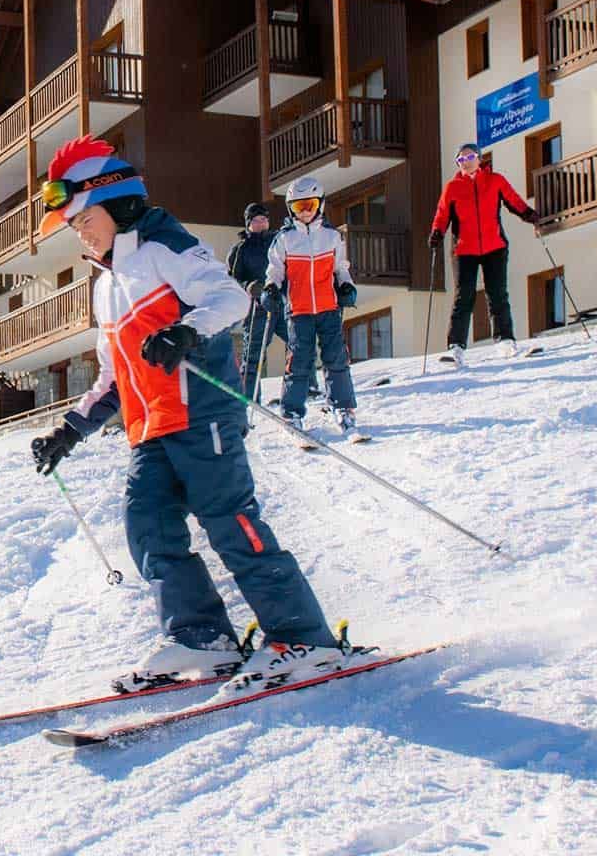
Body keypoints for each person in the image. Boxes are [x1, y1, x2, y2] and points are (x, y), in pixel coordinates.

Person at [27, 136, 349, 696]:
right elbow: (113, 377)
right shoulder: (105, 287)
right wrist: (69, 430)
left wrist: (185, 330)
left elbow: (231, 301)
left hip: (203, 415)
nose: (79, 233)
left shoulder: (164, 246)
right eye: (74, 225)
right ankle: (202, 637)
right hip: (149, 428)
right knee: (147, 526)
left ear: (115, 200)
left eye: (82, 219)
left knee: (230, 523)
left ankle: (305, 640)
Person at [265, 176, 359, 434]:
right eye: (298, 207)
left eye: (309, 205)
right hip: (299, 310)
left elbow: (341, 268)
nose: (305, 212)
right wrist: (271, 288)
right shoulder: (284, 239)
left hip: (328, 307)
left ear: (320, 204)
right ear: (290, 209)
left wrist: (346, 285)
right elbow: (275, 270)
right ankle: (292, 412)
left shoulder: (332, 237)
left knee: (336, 358)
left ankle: (343, 407)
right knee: (299, 361)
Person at [428, 143, 536, 365]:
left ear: (479, 158)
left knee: (497, 293)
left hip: (494, 246)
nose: (465, 162)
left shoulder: (495, 180)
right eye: (461, 160)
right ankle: (456, 346)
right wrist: (437, 233)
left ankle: (505, 341)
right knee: (463, 296)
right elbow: (442, 214)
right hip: (464, 249)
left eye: (469, 157)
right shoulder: (452, 187)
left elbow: (513, 200)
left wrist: (528, 214)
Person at [225, 201, 286, 399]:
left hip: (282, 302)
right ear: (248, 224)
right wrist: (248, 286)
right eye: (256, 220)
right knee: (253, 354)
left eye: (264, 219)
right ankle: (250, 398)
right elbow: (233, 278)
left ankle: (307, 388)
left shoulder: (279, 241)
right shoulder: (241, 249)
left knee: (299, 344)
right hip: (257, 307)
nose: (261, 223)